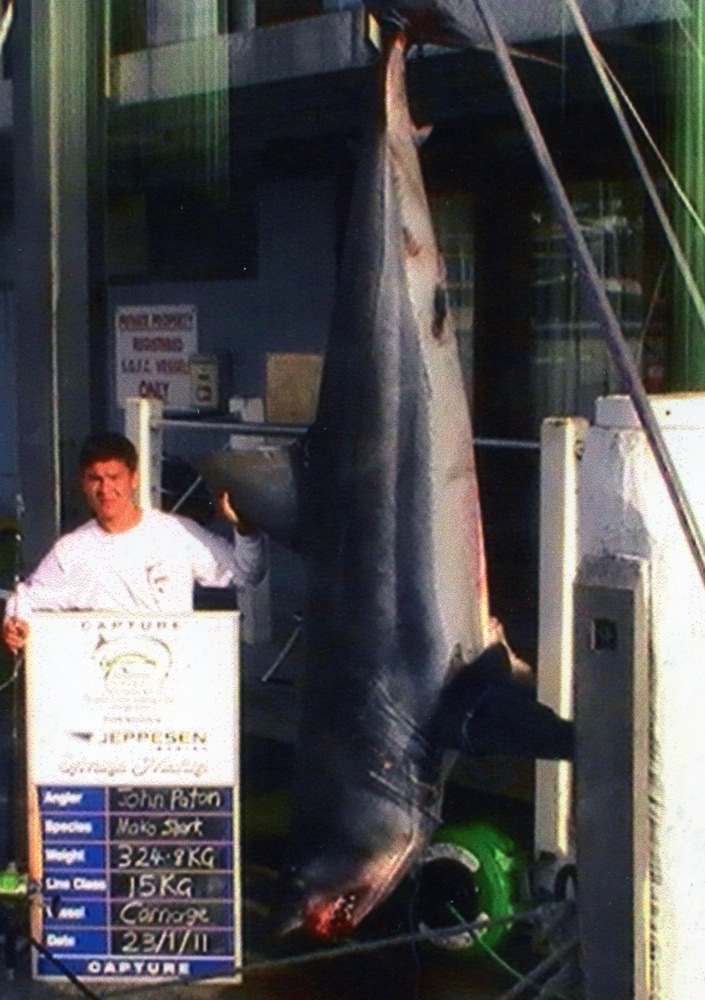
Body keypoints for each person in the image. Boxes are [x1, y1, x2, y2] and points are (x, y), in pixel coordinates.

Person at [2, 432, 267, 654]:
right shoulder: (70, 550)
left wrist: (245, 529)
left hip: (170, 678)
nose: (105, 490)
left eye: (114, 477)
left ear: (134, 478)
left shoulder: (177, 533)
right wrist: (15, 626)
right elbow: (26, 599)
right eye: (96, 478)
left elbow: (246, 574)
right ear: (83, 482)